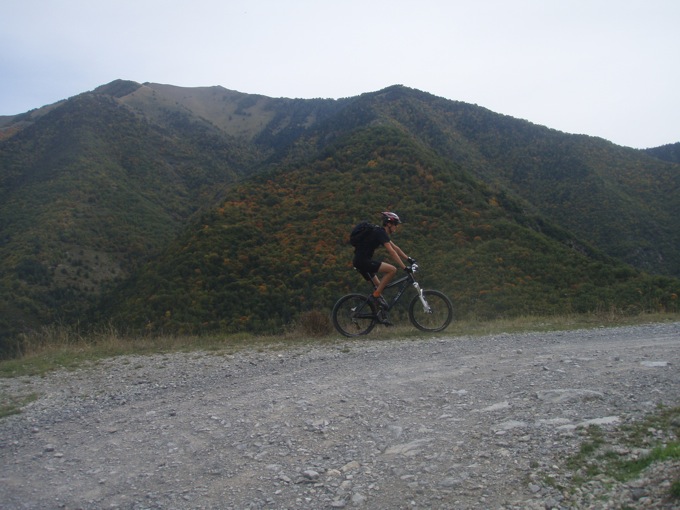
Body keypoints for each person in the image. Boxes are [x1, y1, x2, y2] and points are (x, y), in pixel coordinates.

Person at [352, 212, 413, 323]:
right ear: (389, 224)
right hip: (363, 262)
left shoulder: (380, 232)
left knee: (379, 286)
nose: (396, 227)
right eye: (395, 224)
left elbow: (396, 248)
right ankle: (375, 297)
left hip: (359, 261)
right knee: (392, 270)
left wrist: (408, 259)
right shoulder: (380, 232)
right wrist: (404, 268)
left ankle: (378, 315)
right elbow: (392, 252)